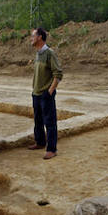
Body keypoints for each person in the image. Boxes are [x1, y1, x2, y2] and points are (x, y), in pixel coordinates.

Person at [28, 27, 63, 160]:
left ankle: (52, 149)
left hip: (45, 94)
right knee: (38, 120)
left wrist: (50, 91)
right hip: (36, 93)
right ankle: (40, 142)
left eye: (33, 36)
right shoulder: (38, 53)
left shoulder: (49, 53)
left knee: (50, 122)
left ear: (40, 37)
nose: (31, 39)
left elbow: (58, 74)